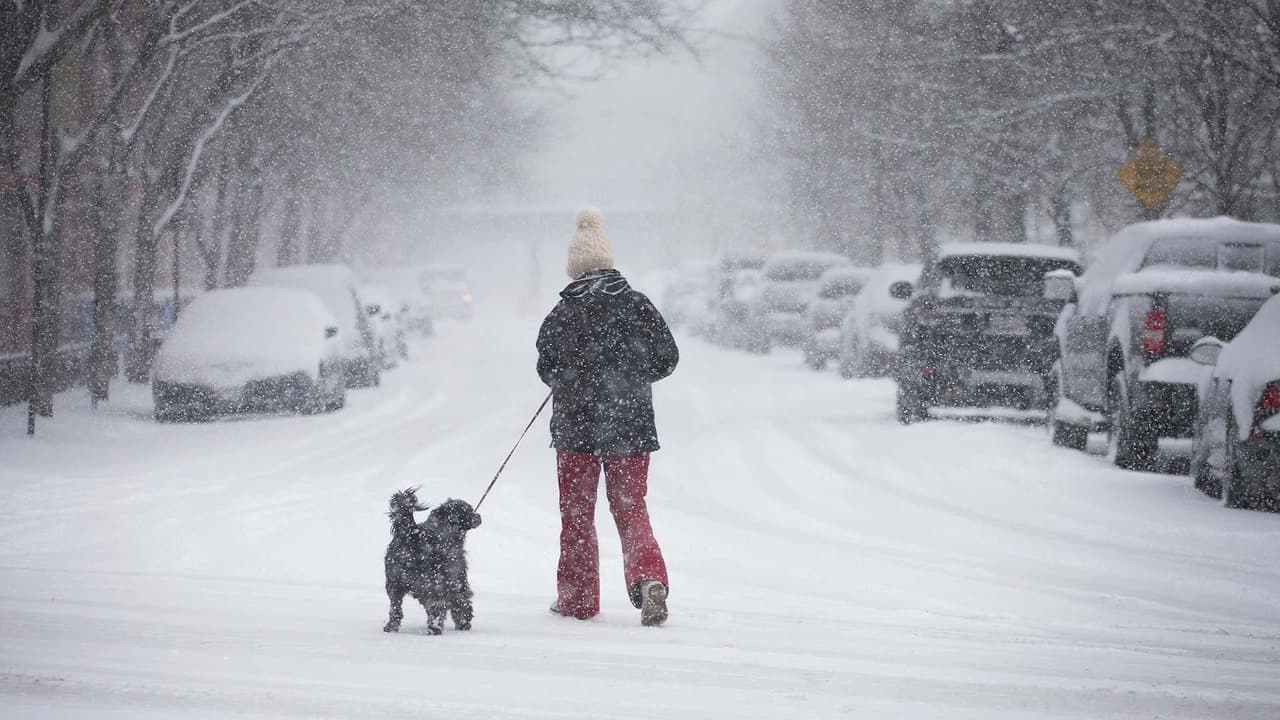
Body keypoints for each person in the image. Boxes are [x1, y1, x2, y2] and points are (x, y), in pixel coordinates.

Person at [536, 207, 680, 626]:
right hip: (629, 425)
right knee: (631, 507)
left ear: (575, 267)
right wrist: (632, 379)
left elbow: (546, 368)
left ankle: (578, 599)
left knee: (577, 515)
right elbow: (667, 358)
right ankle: (649, 578)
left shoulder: (564, 313)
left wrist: (572, 378)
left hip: (575, 430)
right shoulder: (637, 305)